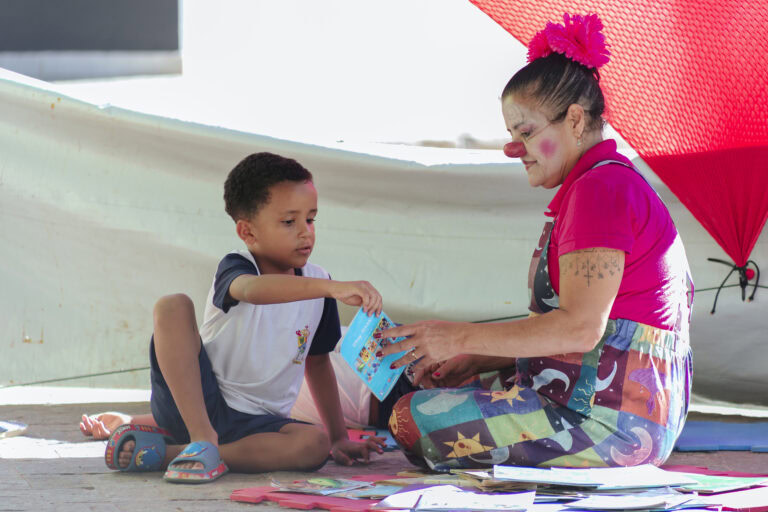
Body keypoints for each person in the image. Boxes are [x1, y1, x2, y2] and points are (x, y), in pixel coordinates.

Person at [379, 13, 693, 470]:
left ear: (575, 120)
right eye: (511, 135)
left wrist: (454, 337)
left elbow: (581, 329)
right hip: (630, 422)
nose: (514, 149)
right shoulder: (600, 185)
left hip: (606, 424)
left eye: (526, 133)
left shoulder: (599, 191)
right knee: (437, 403)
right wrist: (473, 357)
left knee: (409, 418)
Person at [83, 152, 385, 482]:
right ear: (248, 232)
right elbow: (253, 290)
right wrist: (331, 288)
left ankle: (166, 454)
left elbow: (318, 363)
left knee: (315, 444)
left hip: (259, 425)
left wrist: (339, 438)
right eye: (289, 222)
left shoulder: (320, 285)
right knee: (172, 305)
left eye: (311, 219)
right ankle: (201, 441)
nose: (305, 232)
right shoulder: (238, 267)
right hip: (197, 403)